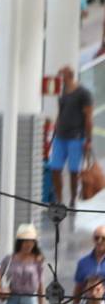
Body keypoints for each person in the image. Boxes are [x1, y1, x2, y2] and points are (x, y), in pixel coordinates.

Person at [46, 65, 94, 207]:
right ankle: (59, 199)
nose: (60, 78)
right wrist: (54, 133)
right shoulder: (62, 92)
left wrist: (88, 139)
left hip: (76, 137)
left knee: (74, 171)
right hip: (60, 137)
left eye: (62, 75)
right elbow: (60, 113)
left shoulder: (84, 93)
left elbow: (88, 117)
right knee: (55, 168)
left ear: (69, 76)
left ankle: (73, 199)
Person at [74, 224, 105, 300]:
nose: (99, 241)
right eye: (96, 238)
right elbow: (78, 289)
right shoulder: (83, 263)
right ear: (93, 240)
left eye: (103, 238)